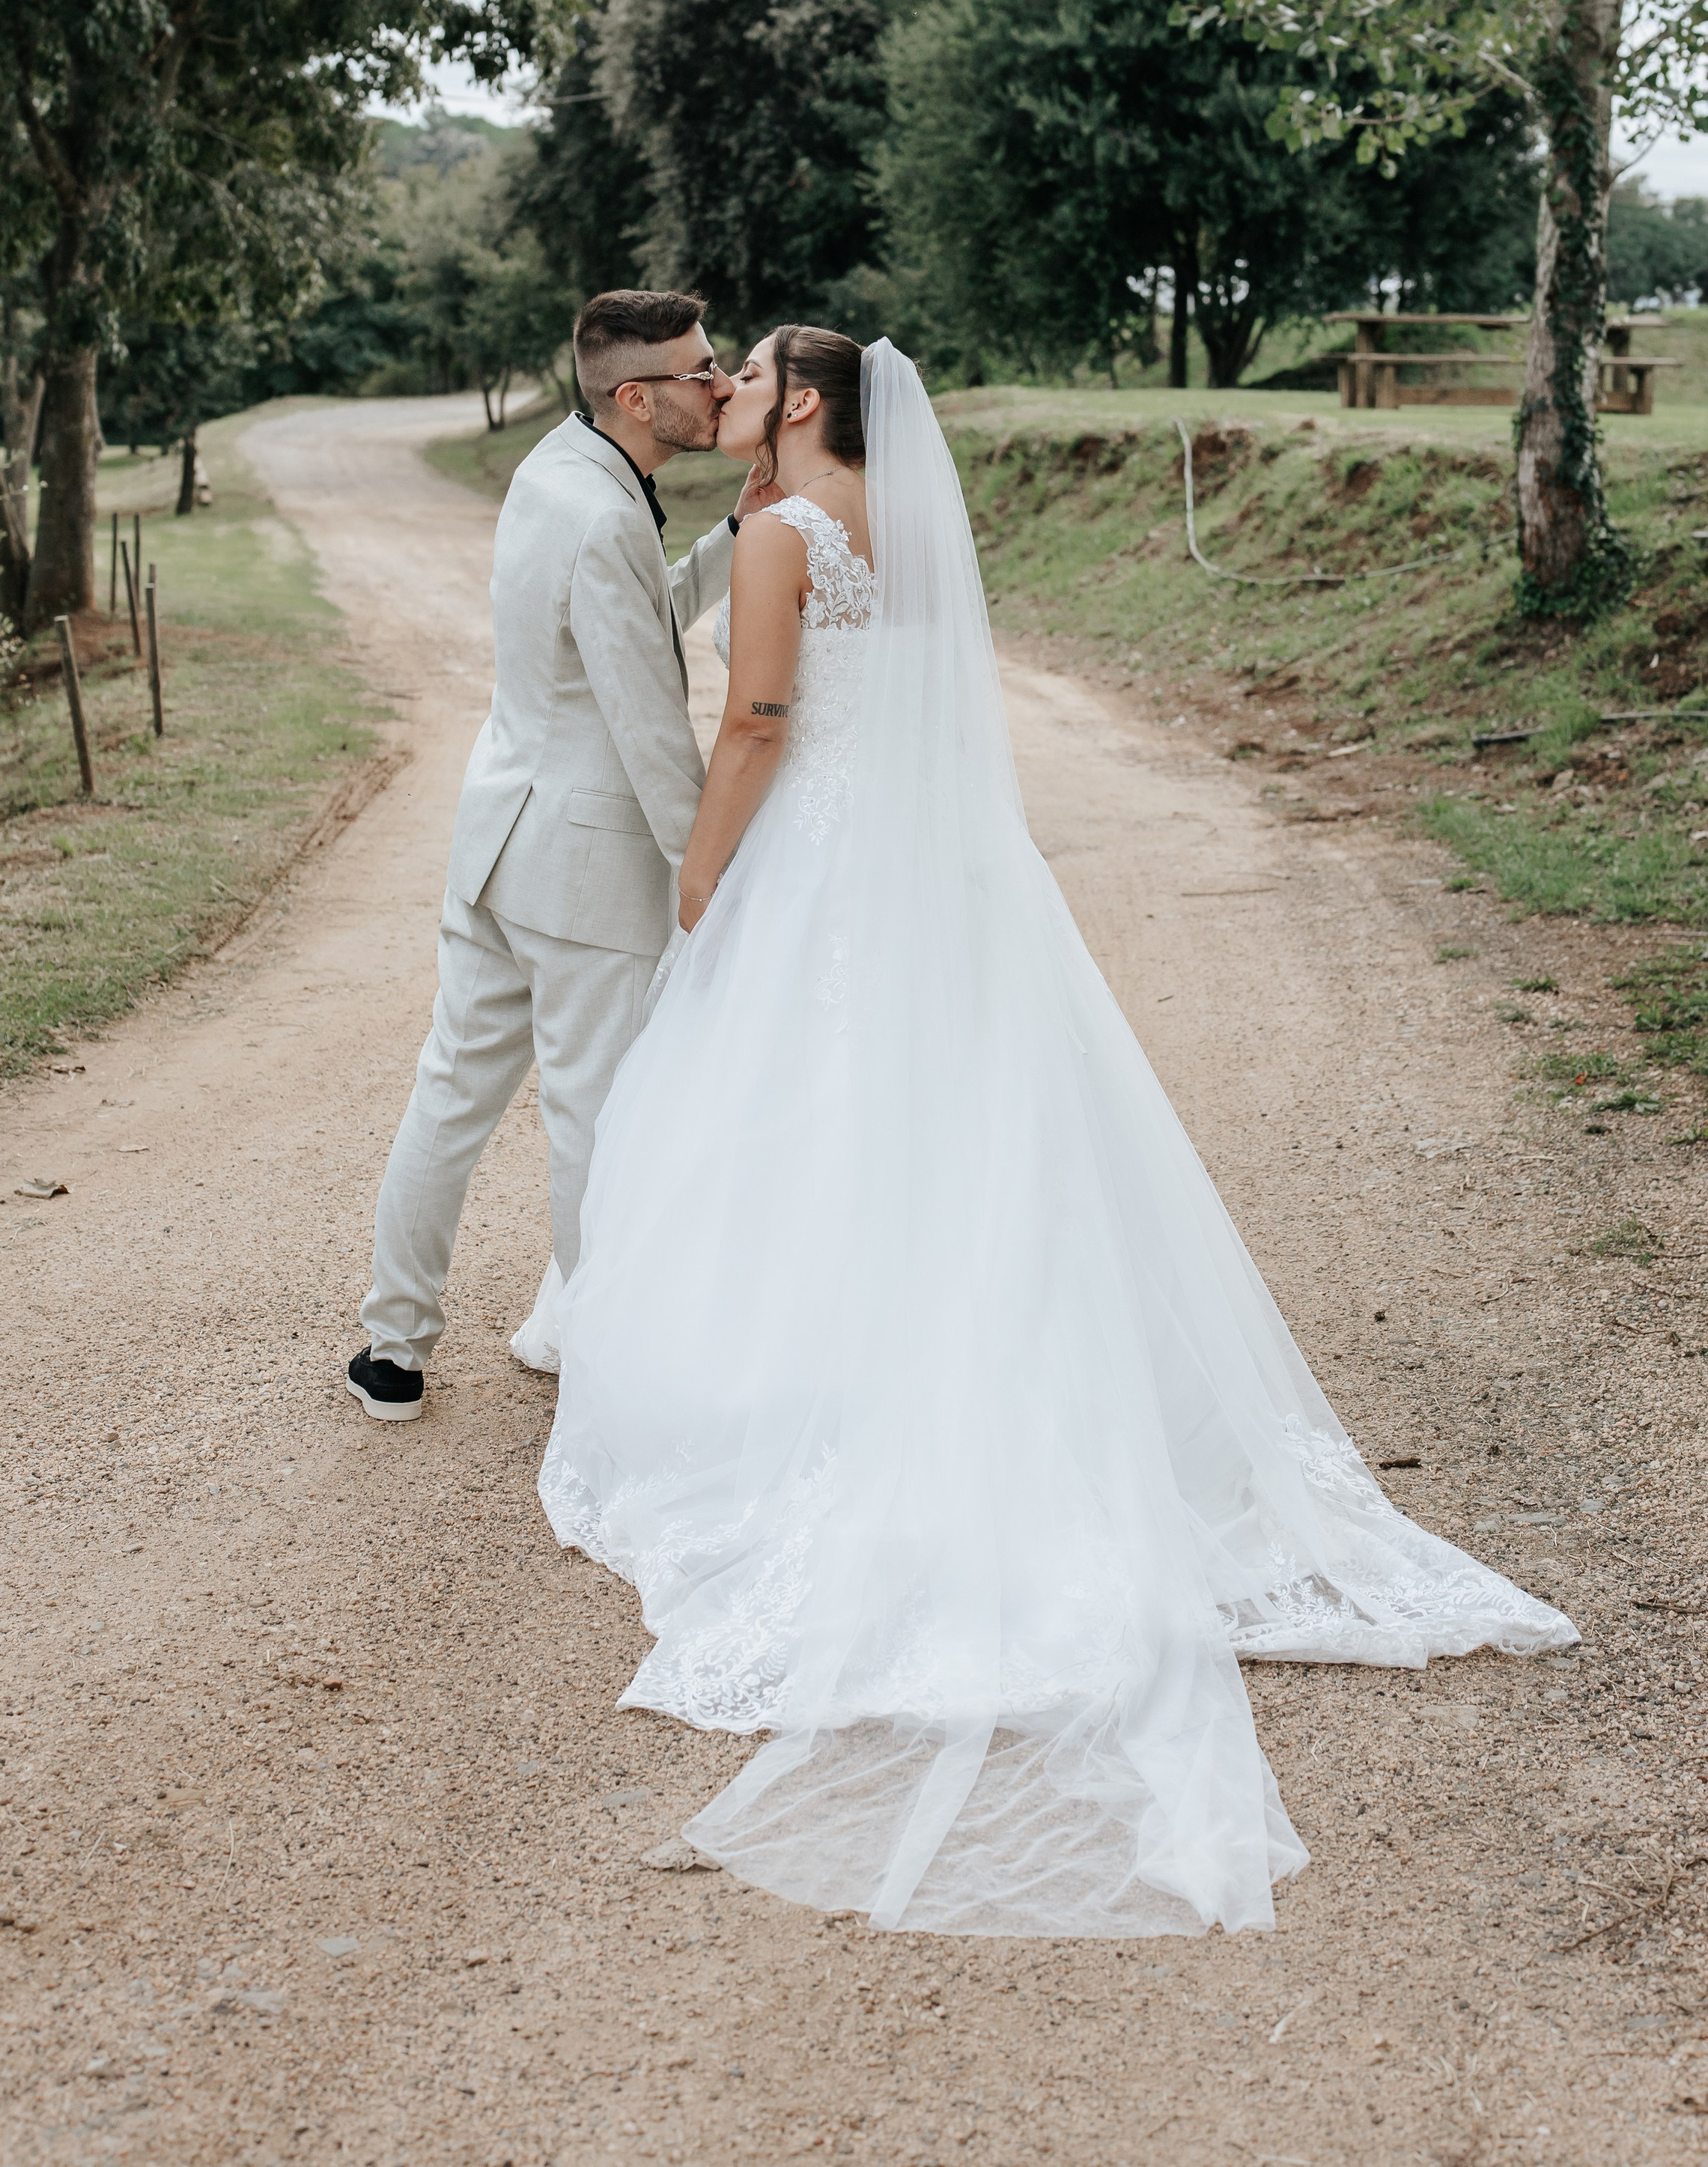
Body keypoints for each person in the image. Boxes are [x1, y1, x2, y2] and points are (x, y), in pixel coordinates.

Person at [535, 331, 1577, 1936]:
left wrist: (699, 870)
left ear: (799, 402)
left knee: (810, 1130)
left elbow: (755, 723)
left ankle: (821, 1393)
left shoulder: (779, 535)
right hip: (937, 874)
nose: (723, 383)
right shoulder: (901, 525)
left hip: (817, 866)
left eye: (747, 371)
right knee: (963, 1128)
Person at [346, 288, 761, 1422]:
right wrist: (708, 875)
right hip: (583, 869)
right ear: (638, 397)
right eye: (701, 370)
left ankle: (393, 1349)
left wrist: (732, 536)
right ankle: (607, 1368)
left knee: (449, 1097)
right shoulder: (604, 516)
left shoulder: (555, 469)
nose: (720, 384)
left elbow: (629, 617)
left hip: (498, 841)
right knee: (590, 1116)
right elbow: (647, 726)